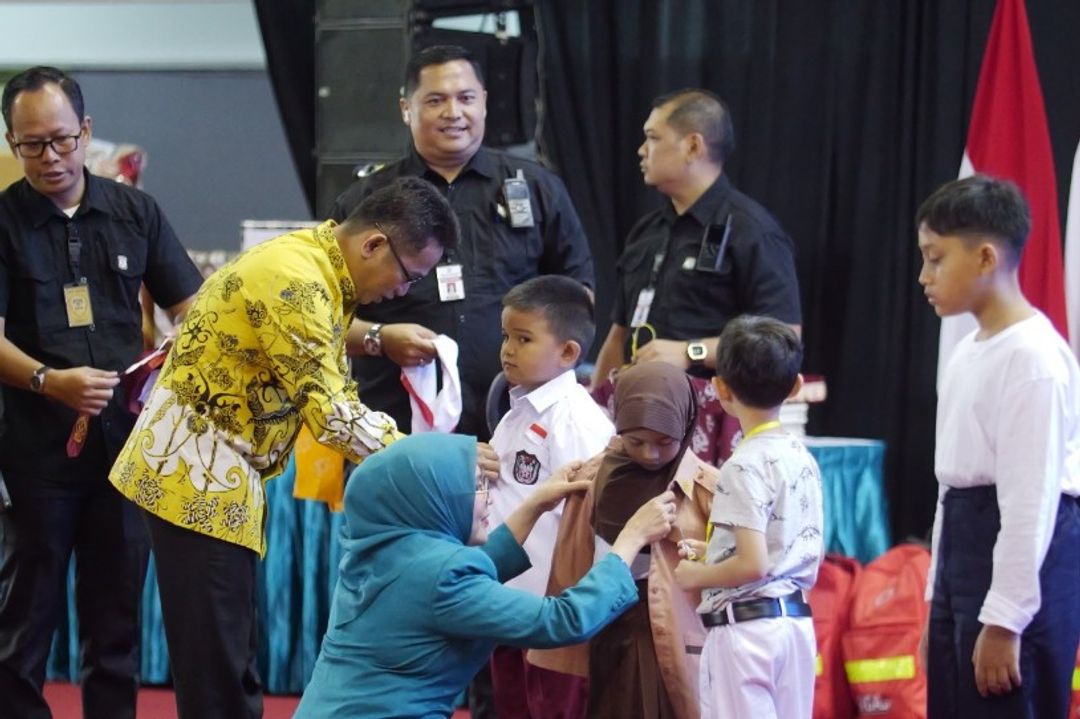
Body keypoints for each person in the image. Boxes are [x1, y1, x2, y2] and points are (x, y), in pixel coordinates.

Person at [108, 177, 489, 719]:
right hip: (193, 480)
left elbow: (316, 334)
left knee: (229, 657)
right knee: (219, 674)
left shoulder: (312, 260)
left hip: (213, 474)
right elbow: (334, 415)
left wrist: (377, 338)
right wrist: (445, 464)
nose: (405, 292)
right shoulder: (296, 281)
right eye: (410, 276)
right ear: (374, 245)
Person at [0, 66, 203, 719]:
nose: (50, 157)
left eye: (61, 140)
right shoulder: (3, 222)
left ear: (85, 132)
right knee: (22, 621)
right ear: (11, 142)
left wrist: (182, 359)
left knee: (116, 623)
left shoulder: (134, 211)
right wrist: (46, 378)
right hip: (34, 449)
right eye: (31, 145)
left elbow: (192, 306)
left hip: (125, 450)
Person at [293, 433, 678, 718]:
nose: (489, 494)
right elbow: (560, 621)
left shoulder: (383, 549)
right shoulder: (442, 575)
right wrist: (630, 539)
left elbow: (464, 572)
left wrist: (537, 504)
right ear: (430, 496)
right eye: (474, 485)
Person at [332, 44, 594, 442]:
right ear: (406, 108)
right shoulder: (365, 202)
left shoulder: (538, 188)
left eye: (465, 98)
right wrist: (380, 339)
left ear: (484, 102)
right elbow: (323, 317)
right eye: (435, 100)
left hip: (520, 424)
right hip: (395, 425)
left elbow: (579, 298)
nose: (453, 113)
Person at [915, 175, 1080, 718]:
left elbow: (1030, 503)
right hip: (965, 548)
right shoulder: (968, 352)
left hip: (1018, 557)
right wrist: (936, 607)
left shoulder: (1033, 359)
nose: (924, 276)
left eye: (936, 259)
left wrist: (1006, 619)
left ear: (985, 257)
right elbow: (950, 490)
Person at [530, 361, 719, 719]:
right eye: (636, 441)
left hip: (673, 637)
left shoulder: (708, 489)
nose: (650, 453)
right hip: (601, 627)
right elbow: (572, 562)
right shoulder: (589, 479)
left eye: (665, 442)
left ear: (687, 423)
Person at [591, 89, 801, 388]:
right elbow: (619, 335)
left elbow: (784, 338)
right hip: (639, 410)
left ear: (692, 146)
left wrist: (692, 352)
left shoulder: (752, 231)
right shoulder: (648, 230)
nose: (641, 150)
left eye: (653, 137)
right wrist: (598, 408)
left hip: (713, 413)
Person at [673, 315, 823, 719]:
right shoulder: (800, 456)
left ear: (720, 388)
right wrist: (715, 550)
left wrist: (697, 574)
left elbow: (754, 564)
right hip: (794, 627)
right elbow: (777, 543)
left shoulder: (743, 464)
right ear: (795, 387)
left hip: (746, 633)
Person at [487, 275, 615, 718]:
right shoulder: (515, 411)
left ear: (568, 353)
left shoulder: (577, 421)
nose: (507, 349)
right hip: (507, 601)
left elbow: (590, 523)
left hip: (550, 613)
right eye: (505, 336)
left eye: (523, 339)